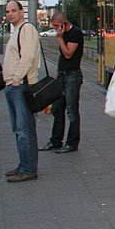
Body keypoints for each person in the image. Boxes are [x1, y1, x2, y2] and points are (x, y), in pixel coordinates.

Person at [2, 0, 41, 183]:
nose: (10, 14)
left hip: (20, 86)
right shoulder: (16, 30)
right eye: (8, 11)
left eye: (13, 11)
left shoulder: (27, 29)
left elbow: (28, 56)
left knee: (24, 129)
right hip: (13, 85)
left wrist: (17, 78)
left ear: (21, 11)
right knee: (19, 129)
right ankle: (23, 164)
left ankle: (28, 168)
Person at [41, 11, 84, 154]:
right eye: (53, 27)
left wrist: (60, 38)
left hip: (72, 75)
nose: (55, 29)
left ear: (65, 24)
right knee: (58, 108)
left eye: (57, 26)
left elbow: (68, 53)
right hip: (62, 74)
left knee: (72, 110)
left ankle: (72, 143)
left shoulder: (75, 33)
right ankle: (55, 140)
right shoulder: (63, 33)